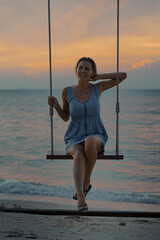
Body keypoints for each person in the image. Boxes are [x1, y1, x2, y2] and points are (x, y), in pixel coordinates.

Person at [48, 57, 127, 211]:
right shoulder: (67, 91)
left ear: (92, 72)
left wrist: (99, 77)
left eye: (87, 69)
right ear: (76, 70)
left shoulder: (98, 88)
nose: (83, 71)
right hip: (74, 137)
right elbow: (66, 117)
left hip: (96, 134)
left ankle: (86, 182)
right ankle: (81, 199)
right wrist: (57, 105)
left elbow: (123, 75)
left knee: (90, 140)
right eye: (81, 67)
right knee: (78, 155)